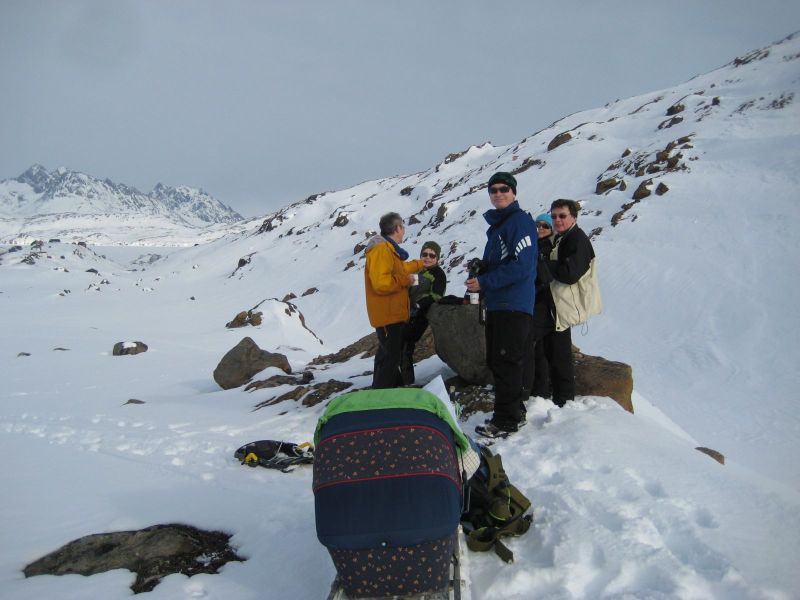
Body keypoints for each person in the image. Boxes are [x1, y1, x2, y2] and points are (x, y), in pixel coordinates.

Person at [466, 172, 538, 438]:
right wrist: (483, 267)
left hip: (513, 304)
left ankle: (506, 421)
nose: (498, 193)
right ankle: (513, 412)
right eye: (493, 190)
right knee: (500, 361)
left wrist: (485, 282)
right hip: (500, 304)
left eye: (504, 189)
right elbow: (506, 261)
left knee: (506, 362)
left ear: (514, 192)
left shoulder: (519, 222)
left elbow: (522, 265)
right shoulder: (501, 226)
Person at [540, 199, 600, 406]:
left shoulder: (577, 240)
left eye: (562, 216)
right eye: (554, 216)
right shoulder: (564, 238)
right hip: (558, 304)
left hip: (565, 306)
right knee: (551, 351)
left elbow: (570, 274)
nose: (557, 220)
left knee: (560, 356)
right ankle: (554, 397)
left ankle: (564, 402)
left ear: (573, 217)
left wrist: (545, 264)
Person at [364, 212, 425, 389]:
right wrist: (406, 280)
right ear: (397, 228)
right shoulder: (382, 249)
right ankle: (381, 398)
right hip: (388, 315)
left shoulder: (388, 249)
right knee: (389, 361)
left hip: (392, 314)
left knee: (388, 358)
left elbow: (399, 269)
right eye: (403, 227)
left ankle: (391, 392)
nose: (404, 230)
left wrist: (420, 264)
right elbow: (381, 283)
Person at [401, 241, 447, 385]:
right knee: (400, 345)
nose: (427, 257)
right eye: (424, 254)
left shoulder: (438, 273)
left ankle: (406, 381)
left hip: (421, 315)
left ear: (437, 258)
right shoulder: (418, 272)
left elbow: (437, 295)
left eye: (432, 255)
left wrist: (419, 304)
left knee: (406, 345)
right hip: (406, 313)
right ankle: (401, 379)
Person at [528, 213, 555, 398]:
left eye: (545, 226)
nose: (540, 228)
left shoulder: (549, 248)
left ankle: (541, 389)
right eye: (537, 225)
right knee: (537, 347)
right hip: (534, 301)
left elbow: (545, 277)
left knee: (537, 346)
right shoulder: (535, 246)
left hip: (544, 302)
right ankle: (538, 387)